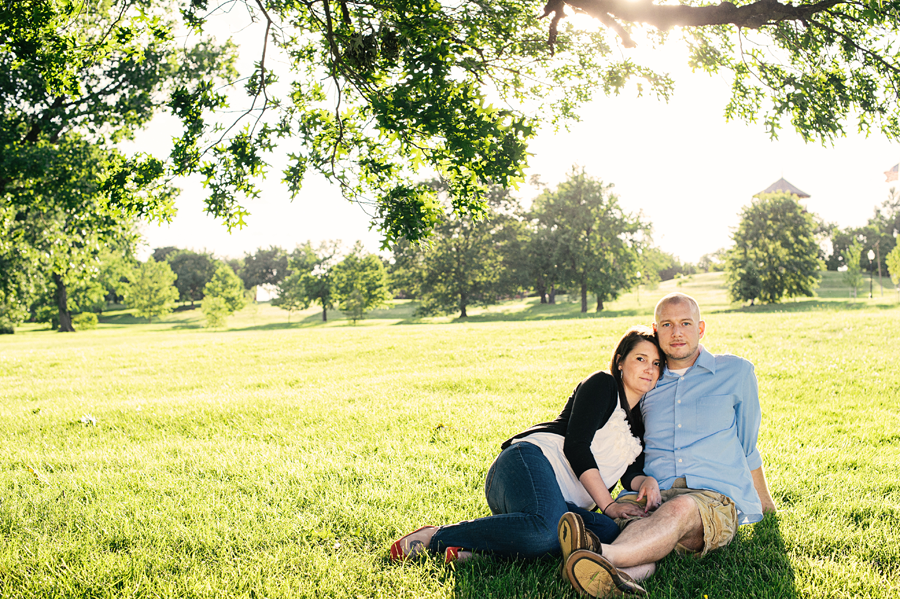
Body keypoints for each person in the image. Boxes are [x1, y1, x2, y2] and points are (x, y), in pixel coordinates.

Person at [560, 292, 777, 598]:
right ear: (656, 329)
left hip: (710, 499)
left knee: (679, 509)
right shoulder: (646, 381)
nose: (677, 332)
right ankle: (611, 578)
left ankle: (598, 554)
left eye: (685, 323)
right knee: (642, 536)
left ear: (700, 329)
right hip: (652, 495)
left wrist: (764, 503)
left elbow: (747, 443)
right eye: (667, 324)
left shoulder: (737, 373)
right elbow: (628, 443)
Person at [390, 326, 665, 566]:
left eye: (655, 364)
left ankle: (485, 552)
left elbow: (630, 474)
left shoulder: (638, 424)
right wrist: (608, 505)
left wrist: (647, 481)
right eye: (640, 358)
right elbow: (577, 447)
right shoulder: (603, 385)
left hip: (563, 503)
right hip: (527, 463)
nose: (648, 369)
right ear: (620, 361)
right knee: (547, 529)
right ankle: (436, 536)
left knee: (607, 533)